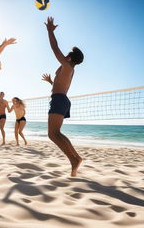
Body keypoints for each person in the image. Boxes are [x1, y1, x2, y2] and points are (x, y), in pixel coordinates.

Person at [43, 17, 84, 177]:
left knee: (52, 134)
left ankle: (74, 160)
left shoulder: (67, 66)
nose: (63, 56)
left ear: (69, 58)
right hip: (61, 99)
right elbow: (59, 85)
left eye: (66, 55)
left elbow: (54, 48)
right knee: (56, 133)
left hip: (59, 99)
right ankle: (76, 158)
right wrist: (50, 82)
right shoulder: (68, 69)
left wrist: (50, 31)